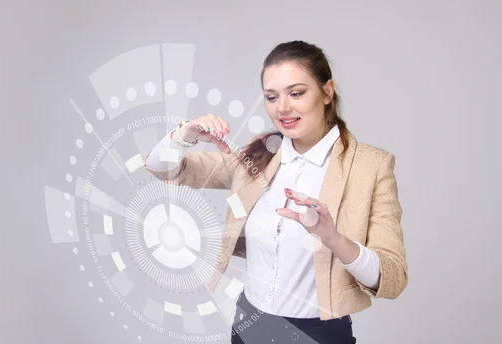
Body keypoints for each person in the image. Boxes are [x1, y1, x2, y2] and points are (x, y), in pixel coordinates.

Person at [143, 40, 408, 343]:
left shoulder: (370, 166)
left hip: (316, 334)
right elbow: (163, 169)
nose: (283, 108)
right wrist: (184, 134)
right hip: (249, 323)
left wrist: (332, 238)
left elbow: (393, 278)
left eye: (296, 93)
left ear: (327, 91)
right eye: (272, 96)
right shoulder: (260, 154)